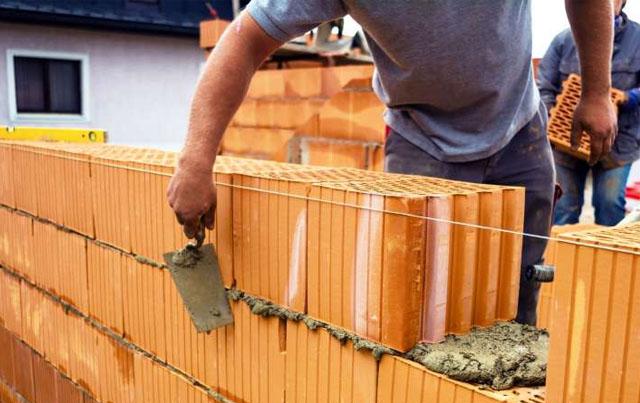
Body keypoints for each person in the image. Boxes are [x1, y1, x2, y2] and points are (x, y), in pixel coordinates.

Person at [167, 0, 618, 326]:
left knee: (519, 286)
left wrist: (597, 91)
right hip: (421, 141)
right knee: (420, 305)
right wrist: (195, 161)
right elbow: (245, 41)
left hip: (519, 130)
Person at [538, 0, 640, 226]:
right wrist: (553, 116)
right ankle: (562, 249)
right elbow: (545, 84)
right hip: (567, 142)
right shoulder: (564, 40)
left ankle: (608, 249)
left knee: (610, 206)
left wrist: (629, 97)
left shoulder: (638, 40)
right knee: (563, 208)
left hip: (619, 144)